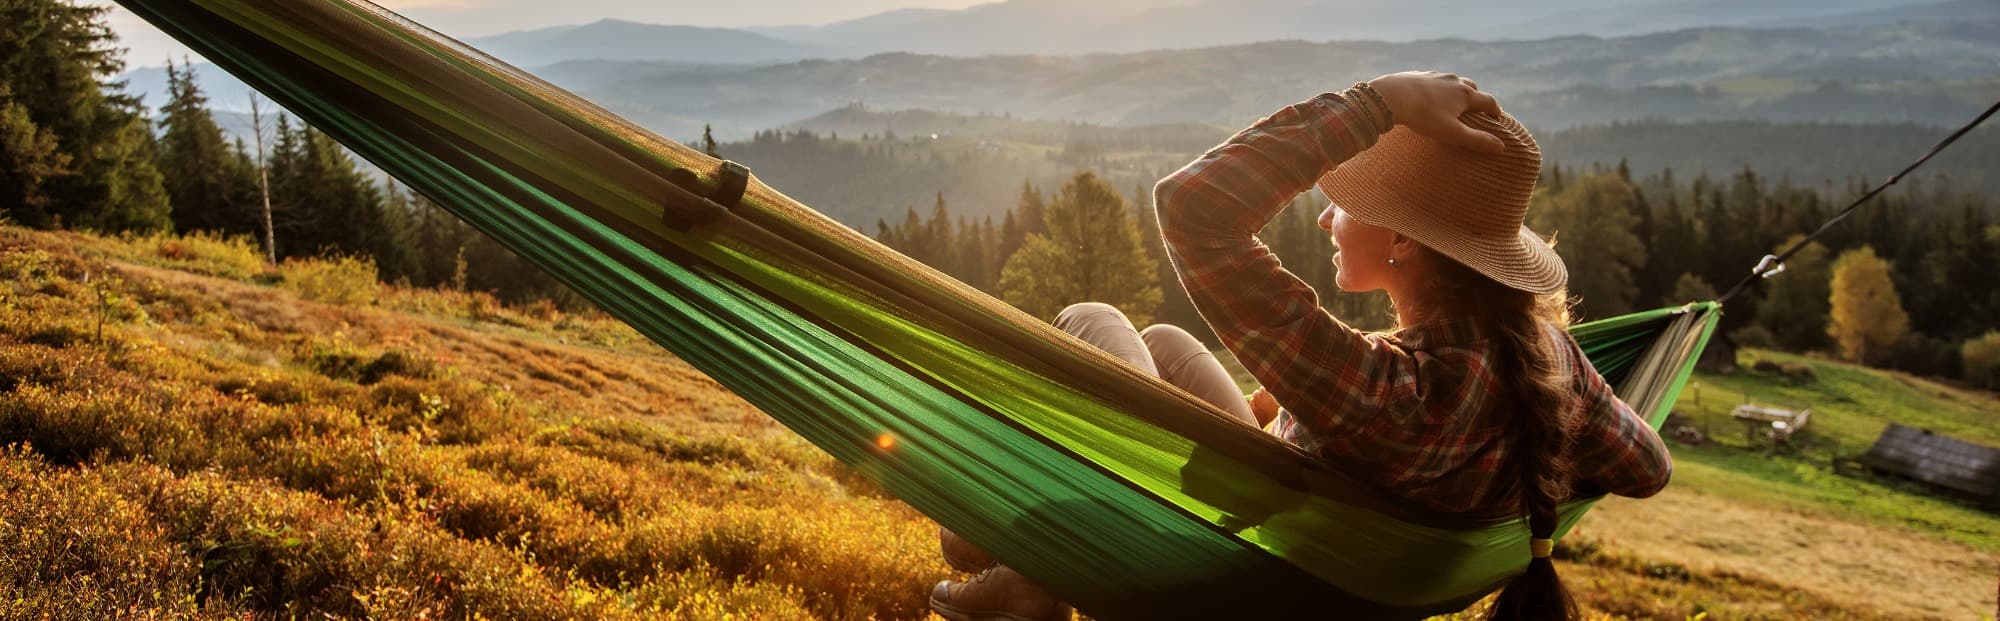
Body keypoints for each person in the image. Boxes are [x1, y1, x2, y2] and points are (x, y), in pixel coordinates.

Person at [928, 71, 1674, 621]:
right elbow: (1647, 467)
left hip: (1238, 568)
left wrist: (1381, 102)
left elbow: (1193, 206)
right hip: (1319, 542)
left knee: (1093, 319)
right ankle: (1016, 561)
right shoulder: (1549, 360)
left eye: (1347, 205)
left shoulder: (1378, 390)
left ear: (1405, 243)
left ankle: (1029, 569)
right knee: (1161, 339)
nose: (1325, 220)